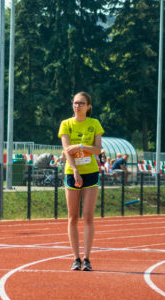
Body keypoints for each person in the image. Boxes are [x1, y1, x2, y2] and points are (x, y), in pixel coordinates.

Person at [59, 91, 104, 271]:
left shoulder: (94, 124)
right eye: (75, 103)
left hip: (91, 173)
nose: (78, 106)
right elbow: (66, 149)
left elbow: (98, 150)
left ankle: (87, 258)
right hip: (72, 172)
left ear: (88, 106)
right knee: (72, 217)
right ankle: (75, 257)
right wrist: (75, 171)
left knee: (88, 216)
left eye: (81, 103)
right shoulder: (66, 124)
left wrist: (82, 146)